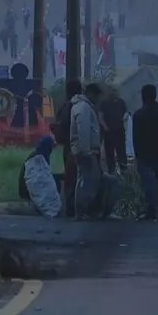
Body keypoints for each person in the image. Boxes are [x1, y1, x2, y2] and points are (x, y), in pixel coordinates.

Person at [132, 84, 158, 220]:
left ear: (143, 96)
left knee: (148, 182)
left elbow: (136, 137)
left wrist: (137, 154)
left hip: (144, 153)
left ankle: (151, 210)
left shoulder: (138, 115)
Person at [69, 83, 103, 220]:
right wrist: (87, 151)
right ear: (90, 94)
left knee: (87, 179)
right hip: (85, 150)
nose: (98, 99)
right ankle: (80, 211)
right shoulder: (83, 107)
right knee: (85, 180)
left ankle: (84, 211)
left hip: (85, 149)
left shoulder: (83, 106)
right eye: (97, 96)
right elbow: (83, 129)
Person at [52, 79, 83, 217]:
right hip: (76, 146)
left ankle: (71, 205)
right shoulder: (79, 107)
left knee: (70, 176)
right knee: (78, 177)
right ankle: (75, 206)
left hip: (67, 147)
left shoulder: (65, 107)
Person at [99, 90, 128, 174]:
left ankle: (122, 170)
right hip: (110, 132)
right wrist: (105, 126)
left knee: (120, 152)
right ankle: (113, 171)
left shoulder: (121, 102)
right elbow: (100, 116)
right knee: (111, 153)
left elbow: (126, 114)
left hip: (118, 131)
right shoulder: (105, 103)